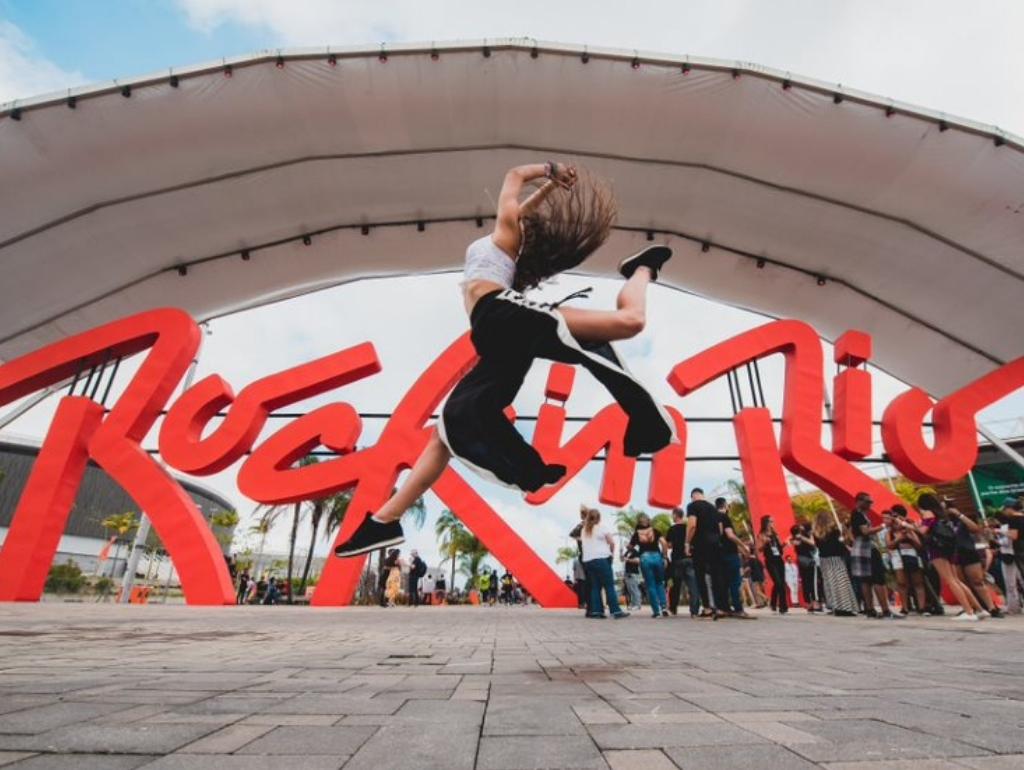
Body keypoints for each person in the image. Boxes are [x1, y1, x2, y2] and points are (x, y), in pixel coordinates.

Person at [334, 162, 678, 557]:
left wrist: (549, 170)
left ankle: (642, 270)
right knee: (451, 424)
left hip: (503, 316)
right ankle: (383, 521)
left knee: (629, 322)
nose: (516, 212)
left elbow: (513, 176)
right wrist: (549, 187)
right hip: (495, 333)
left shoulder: (505, 236)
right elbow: (523, 204)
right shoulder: (509, 237)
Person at [916, 493, 982, 621]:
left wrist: (910, 526)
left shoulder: (927, 513)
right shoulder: (942, 513)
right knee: (956, 580)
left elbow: (922, 531)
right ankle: (978, 609)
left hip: (936, 549)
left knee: (950, 580)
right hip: (949, 548)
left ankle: (968, 612)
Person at [848, 493, 902, 619]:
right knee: (878, 579)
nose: (870, 504)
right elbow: (865, 531)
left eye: (871, 502)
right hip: (868, 549)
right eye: (867, 502)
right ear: (859, 501)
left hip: (859, 548)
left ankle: (870, 609)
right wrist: (883, 525)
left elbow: (851, 532)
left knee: (865, 580)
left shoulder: (856, 514)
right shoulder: (858, 514)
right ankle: (885, 610)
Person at [579, 507, 630, 619]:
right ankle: (615, 611)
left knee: (595, 587)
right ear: (599, 518)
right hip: (601, 559)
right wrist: (611, 553)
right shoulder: (602, 528)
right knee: (609, 586)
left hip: (588, 561)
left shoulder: (584, 530)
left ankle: (597, 612)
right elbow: (612, 542)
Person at [951, 507, 1002, 618]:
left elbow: (975, 529)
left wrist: (960, 514)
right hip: (953, 554)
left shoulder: (962, 521)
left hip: (968, 552)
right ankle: (971, 607)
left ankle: (992, 607)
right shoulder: (941, 522)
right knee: (962, 583)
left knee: (977, 581)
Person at [685, 488, 728, 619]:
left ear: (693, 496)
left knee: (700, 575)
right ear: (702, 495)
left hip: (700, 544)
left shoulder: (693, 506)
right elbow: (720, 529)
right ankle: (720, 608)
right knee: (717, 575)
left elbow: (692, 525)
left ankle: (708, 608)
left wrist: (687, 542)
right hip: (715, 543)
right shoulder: (713, 508)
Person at [812, 510, 858, 616]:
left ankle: (834, 606)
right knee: (841, 582)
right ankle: (845, 607)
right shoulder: (834, 530)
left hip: (824, 559)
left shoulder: (816, 533)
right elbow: (838, 543)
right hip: (836, 557)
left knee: (830, 583)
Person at [716, 498, 754, 619]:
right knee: (734, 582)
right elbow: (730, 535)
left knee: (724, 583)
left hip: (719, 555)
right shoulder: (724, 517)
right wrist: (744, 546)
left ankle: (725, 608)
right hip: (730, 555)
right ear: (725, 505)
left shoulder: (711, 518)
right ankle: (738, 609)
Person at [885, 505, 927, 615]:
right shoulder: (890, 531)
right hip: (897, 556)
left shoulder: (909, 527)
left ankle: (922, 607)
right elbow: (889, 545)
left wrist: (909, 534)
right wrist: (899, 538)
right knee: (901, 583)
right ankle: (905, 607)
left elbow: (919, 544)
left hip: (912, 554)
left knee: (918, 582)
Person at [628, 513, 668, 617]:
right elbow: (664, 543)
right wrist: (664, 556)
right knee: (659, 583)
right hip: (657, 557)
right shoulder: (655, 531)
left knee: (650, 585)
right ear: (649, 521)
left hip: (645, 558)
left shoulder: (637, 534)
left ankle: (656, 612)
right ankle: (663, 607)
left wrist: (631, 548)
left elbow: (630, 546)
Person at [665, 507, 700, 617]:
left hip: (677, 560)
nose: (672, 516)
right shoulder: (688, 528)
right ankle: (694, 611)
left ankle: (673, 609)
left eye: (672, 514)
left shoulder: (672, 529)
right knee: (693, 586)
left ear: (676, 515)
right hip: (690, 558)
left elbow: (669, 545)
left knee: (675, 586)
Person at [757, 515, 788, 614]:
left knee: (781, 583)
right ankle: (782, 607)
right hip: (770, 561)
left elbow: (780, 547)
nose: (772, 523)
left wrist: (786, 544)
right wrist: (765, 543)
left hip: (779, 559)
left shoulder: (775, 533)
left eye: (773, 521)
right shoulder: (761, 535)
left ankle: (775, 604)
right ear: (766, 523)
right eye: (771, 521)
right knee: (778, 582)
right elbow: (759, 549)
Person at [790, 522, 822, 612]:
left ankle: (814, 602)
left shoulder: (807, 536)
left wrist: (803, 537)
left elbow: (813, 543)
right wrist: (799, 538)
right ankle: (810, 603)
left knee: (814, 582)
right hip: (805, 561)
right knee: (807, 582)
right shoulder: (795, 539)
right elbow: (795, 543)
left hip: (811, 560)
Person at [622, 545, 643, 610]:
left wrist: (628, 559)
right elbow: (623, 559)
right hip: (627, 572)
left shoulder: (635, 552)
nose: (626, 544)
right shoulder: (627, 552)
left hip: (633, 572)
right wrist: (622, 555)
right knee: (630, 589)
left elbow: (637, 561)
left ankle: (637, 604)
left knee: (634, 589)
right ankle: (633, 604)